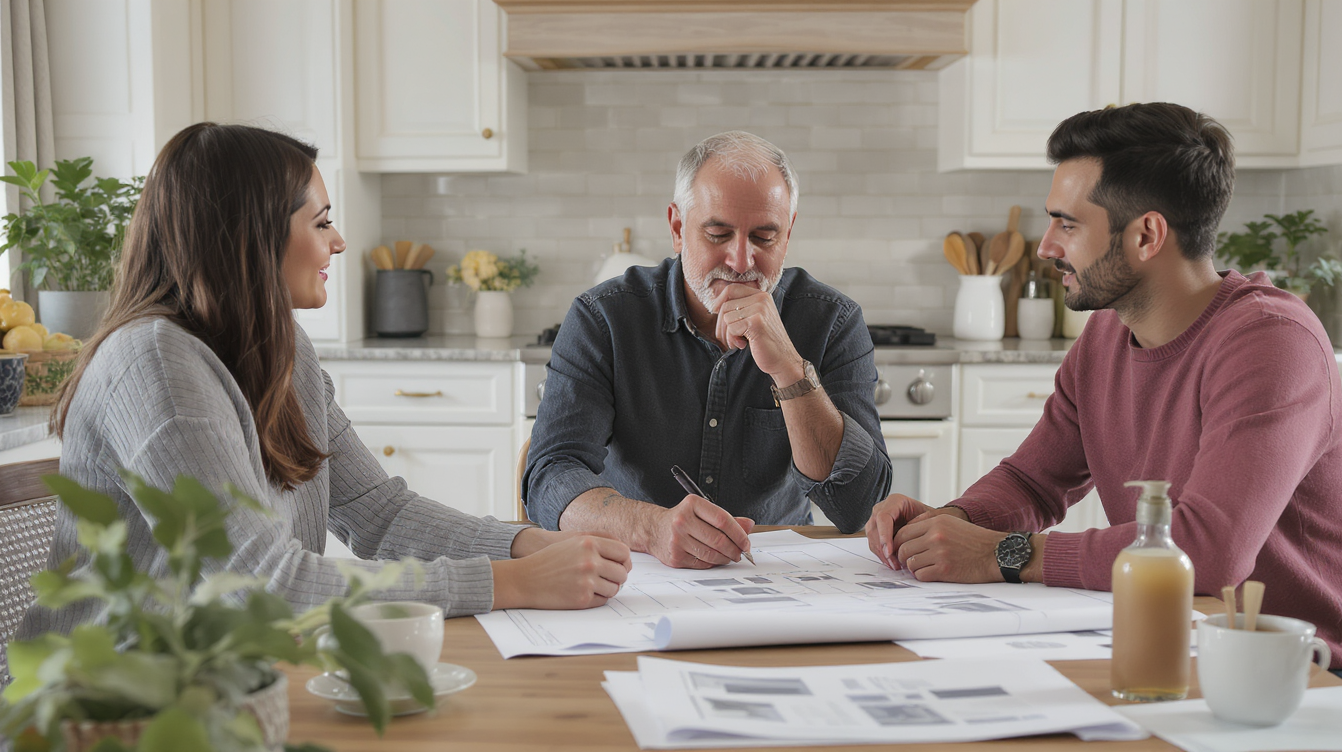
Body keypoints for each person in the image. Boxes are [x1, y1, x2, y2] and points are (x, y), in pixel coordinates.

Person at [19, 123, 630, 640]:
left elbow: (377, 512)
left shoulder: (281, 348)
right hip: (106, 706)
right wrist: (510, 583)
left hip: (228, 679)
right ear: (249, 236)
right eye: (321, 222)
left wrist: (523, 544)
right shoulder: (155, 364)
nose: (338, 243)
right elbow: (263, 589)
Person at [865, 103, 1342, 698]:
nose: (1045, 247)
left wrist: (1003, 554)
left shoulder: (1272, 342)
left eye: (1067, 224)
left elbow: (1204, 552)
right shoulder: (1107, 336)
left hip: (1321, 674)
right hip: (1184, 651)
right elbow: (1034, 481)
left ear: (1146, 235)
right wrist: (951, 523)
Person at [524, 131, 891, 569]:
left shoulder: (833, 322)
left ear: (788, 235)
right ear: (678, 229)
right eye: (718, 233)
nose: (741, 260)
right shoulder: (602, 319)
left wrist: (792, 371)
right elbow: (549, 478)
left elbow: (858, 505)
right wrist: (650, 527)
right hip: (637, 566)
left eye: (764, 237)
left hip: (779, 569)